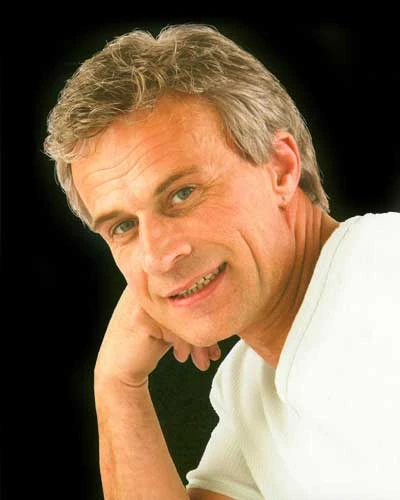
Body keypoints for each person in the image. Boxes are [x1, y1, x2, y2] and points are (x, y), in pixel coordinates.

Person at [43, 24, 400, 499]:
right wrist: (116, 386)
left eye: (182, 194)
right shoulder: (252, 383)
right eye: (124, 226)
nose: (158, 256)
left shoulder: (385, 272)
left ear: (281, 169)